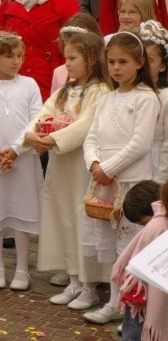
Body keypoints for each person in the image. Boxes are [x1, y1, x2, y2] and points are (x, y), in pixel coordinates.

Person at [22, 31, 110, 307]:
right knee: (62, 217)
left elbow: (86, 125)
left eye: (72, 58)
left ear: (92, 58)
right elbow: (42, 114)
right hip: (60, 166)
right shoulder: (65, 90)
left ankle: (89, 285)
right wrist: (31, 134)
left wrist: (54, 139)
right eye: (66, 57)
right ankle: (73, 280)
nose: (67, 64)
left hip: (80, 166)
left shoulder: (100, 91)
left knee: (80, 220)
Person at [81, 32, 159, 325]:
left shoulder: (145, 99)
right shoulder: (107, 98)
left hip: (131, 182)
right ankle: (114, 300)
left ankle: (131, 301)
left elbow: (139, 143)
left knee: (130, 244)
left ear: (139, 63)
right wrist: (94, 164)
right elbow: (91, 136)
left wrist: (108, 168)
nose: (116, 68)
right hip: (105, 182)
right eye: (111, 62)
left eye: (123, 62)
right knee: (112, 244)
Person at [0, 32, 43, 290]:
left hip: (22, 160)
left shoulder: (29, 85)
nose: (16, 61)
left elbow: (36, 119)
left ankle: (23, 268)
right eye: (9, 56)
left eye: (20, 56)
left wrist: (16, 149)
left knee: (21, 210)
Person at [112, 181, 168, 341]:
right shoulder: (158, 226)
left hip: (156, 301)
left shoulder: (157, 224)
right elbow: (138, 270)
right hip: (144, 301)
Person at [141, 21, 168, 185]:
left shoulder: (165, 97)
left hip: (156, 166)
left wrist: (160, 182)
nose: (143, 66)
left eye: (149, 61)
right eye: (140, 60)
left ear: (162, 66)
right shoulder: (133, 93)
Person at [50, 13, 102, 94]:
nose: (70, 48)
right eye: (66, 43)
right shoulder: (59, 73)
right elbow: (52, 105)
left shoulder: (104, 74)